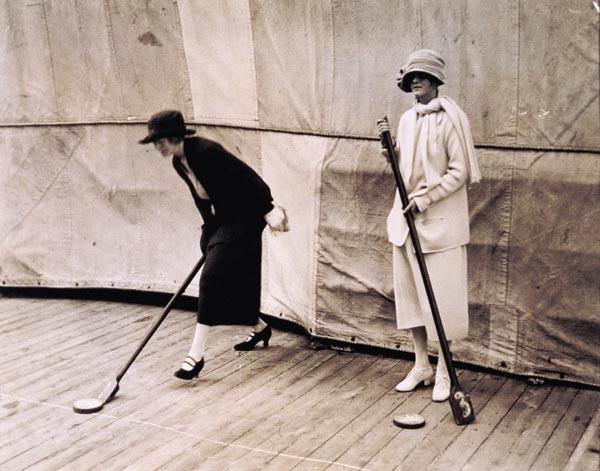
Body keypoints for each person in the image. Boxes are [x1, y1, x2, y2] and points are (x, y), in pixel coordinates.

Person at [139, 110, 288, 380]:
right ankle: (260, 327)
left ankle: (195, 356)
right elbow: (202, 199)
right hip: (226, 219)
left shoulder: (206, 151)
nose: (157, 146)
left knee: (210, 279)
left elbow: (250, 179)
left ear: (174, 136)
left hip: (249, 214)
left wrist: (268, 209)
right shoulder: (178, 162)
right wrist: (208, 231)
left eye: (159, 140)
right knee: (232, 275)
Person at [376, 50, 481, 401]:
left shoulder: (451, 119)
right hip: (406, 222)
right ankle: (421, 364)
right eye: (411, 77)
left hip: (439, 226)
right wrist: (390, 152)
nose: (415, 81)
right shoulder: (407, 119)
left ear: (435, 80)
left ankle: (443, 372)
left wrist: (424, 199)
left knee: (442, 301)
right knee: (410, 298)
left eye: (421, 76)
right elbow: (405, 163)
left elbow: (459, 171)